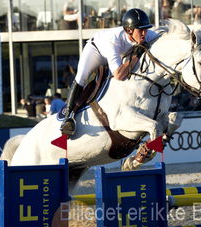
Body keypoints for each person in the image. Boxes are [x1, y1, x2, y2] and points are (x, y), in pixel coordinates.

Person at [60, 8, 159, 136]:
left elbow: (161, 37)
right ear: (129, 30)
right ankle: (69, 116)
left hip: (120, 55)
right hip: (97, 51)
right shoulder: (114, 39)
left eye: (146, 29)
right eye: (141, 30)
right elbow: (118, 75)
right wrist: (136, 56)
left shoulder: (146, 35)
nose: (145, 33)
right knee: (81, 77)